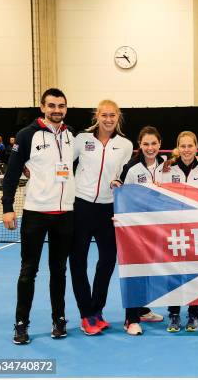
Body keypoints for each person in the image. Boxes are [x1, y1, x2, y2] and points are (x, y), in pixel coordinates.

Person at [2, 88, 75, 345]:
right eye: (52, 105)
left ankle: (59, 319)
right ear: (43, 107)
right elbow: (11, 174)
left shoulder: (70, 136)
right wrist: (7, 206)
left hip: (65, 214)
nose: (57, 110)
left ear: (66, 108)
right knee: (28, 271)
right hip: (35, 214)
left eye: (61, 106)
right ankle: (21, 324)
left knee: (59, 271)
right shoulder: (27, 135)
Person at [69, 100, 133, 336]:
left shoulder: (125, 145)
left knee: (107, 261)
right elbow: (64, 162)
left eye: (113, 115)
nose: (108, 119)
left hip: (109, 209)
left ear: (119, 117)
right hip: (81, 206)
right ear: (97, 115)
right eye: (104, 115)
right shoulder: (82, 140)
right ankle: (86, 313)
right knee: (78, 261)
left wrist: (121, 182)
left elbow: (126, 173)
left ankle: (97, 309)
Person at [114, 126, 166, 335]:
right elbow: (125, 198)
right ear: (140, 145)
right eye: (146, 144)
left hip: (160, 229)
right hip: (137, 231)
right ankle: (131, 318)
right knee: (134, 273)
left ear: (160, 144)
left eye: (154, 143)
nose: (150, 148)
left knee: (150, 273)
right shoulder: (133, 169)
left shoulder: (167, 167)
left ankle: (143, 310)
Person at [161, 131, 198, 333]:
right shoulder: (167, 169)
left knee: (196, 273)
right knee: (174, 273)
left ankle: (194, 313)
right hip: (174, 230)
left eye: (190, 146)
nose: (187, 150)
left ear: (196, 147)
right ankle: (173, 314)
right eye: (183, 146)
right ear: (177, 147)